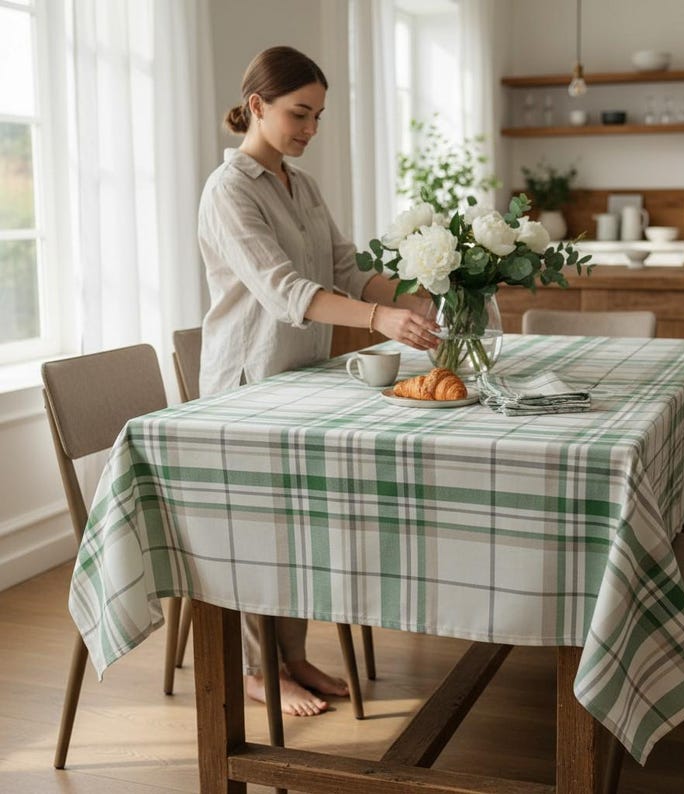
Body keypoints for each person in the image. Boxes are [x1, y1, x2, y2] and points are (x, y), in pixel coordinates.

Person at [197, 45, 439, 717]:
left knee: (298, 521)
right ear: (256, 107)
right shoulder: (228, 190)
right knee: (253, 526)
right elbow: (288, 291)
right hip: (244, 384)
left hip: (301, 376)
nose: (309, 130)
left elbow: (347, 266)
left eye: (318, 117)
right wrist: (379, 318)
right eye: (299, 115)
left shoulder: (302, 186)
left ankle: (293, 656)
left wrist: (421, 295)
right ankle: (252, 669)